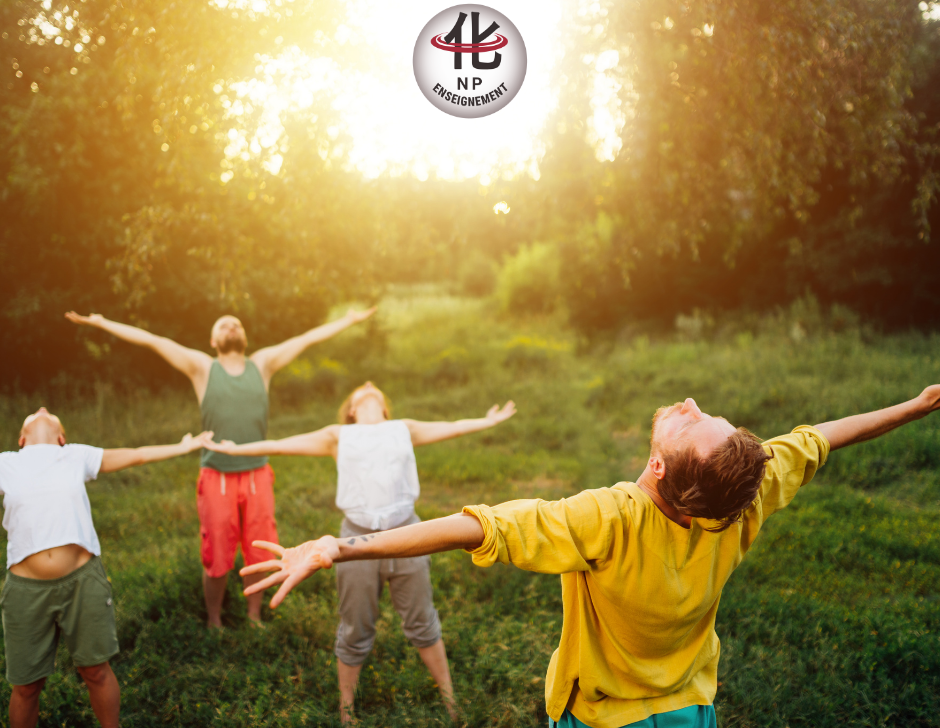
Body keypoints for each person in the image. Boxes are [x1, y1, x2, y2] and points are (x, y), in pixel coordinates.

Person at [236, 384, 940, 728]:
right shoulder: (744, 496)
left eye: (694, 422)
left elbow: (471, 528)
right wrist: (913, 406)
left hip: (601, 719)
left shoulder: (610, 518)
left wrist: (337, 546)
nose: (692, 402)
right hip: (692, 713)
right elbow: (820, 438)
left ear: (661, 472)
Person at [204, 381, 517, 723]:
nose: (368, 386)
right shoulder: (339, 435)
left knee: (422, 620)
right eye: (361, 390)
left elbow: (453, 427)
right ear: (351, 410)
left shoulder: (403, 429)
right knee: (355, 626)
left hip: (408, 533)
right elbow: (280, 445)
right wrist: (234, 451)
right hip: (354, 539)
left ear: (385, 407)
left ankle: (451, 702)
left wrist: (487, 422)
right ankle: (346, 711)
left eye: (375, 389)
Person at [65, 307, 375, 628]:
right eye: (223, 325)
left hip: (257, 474)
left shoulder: (263, 364)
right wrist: (102, 322)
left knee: (261, 549)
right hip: (217, 477)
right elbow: (154, 341)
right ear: (213, 340)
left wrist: (348, 320)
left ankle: (253, 616)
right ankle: (214, 620)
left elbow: (307, 339)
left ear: (244, 337)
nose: (231, 326)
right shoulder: (202, 367)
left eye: (236, 323)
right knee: (217, 554)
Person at [1, 407, 211, 728]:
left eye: (49, 412)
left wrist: (183, 447)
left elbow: (138, 455)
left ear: (61, 438)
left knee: (95, 671)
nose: (43, 408)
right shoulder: (7, 463)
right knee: (27, 687)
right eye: (35, 411)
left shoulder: (73, 456)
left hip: (82, 583)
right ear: (21, 439)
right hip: (25, 592)